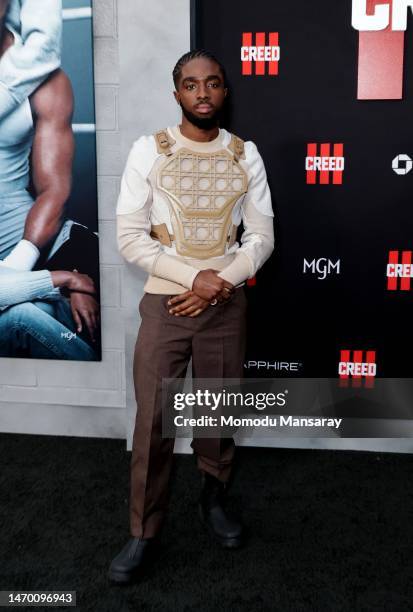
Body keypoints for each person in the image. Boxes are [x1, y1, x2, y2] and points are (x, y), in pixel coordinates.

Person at [110, 49, 275, 584]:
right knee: (153, 422)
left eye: (212, 83)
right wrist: (193, 279)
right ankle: (143, 530)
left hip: (224, 304)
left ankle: (213, 498)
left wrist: (217, 283)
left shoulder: (245, 155)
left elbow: (262, 238)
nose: (202, 92)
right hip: (167, 302)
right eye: (190, 84)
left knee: (216, 412)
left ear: (225, 92)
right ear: (176, 92)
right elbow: (130, 237)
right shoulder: (147, 151)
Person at [0, 0, 100, 359]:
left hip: (28, 237)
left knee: (41, 319)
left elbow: (54, 188)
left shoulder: (46, 81)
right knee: (24, 315)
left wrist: (20, 265)